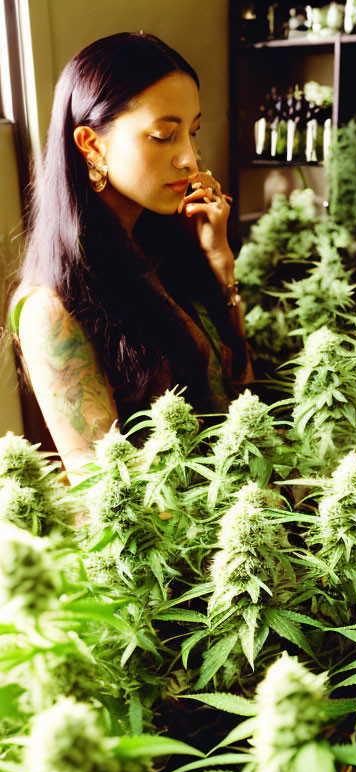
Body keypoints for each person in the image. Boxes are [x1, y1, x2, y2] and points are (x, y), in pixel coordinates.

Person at [5, 32, 250, 483]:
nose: (190, 161)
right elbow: (109, 499)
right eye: (163, 136)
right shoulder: (53, 308)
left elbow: (241, 393)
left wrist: (220, 262)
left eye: (193, 133)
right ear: (91, 145)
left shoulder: (165, 248)